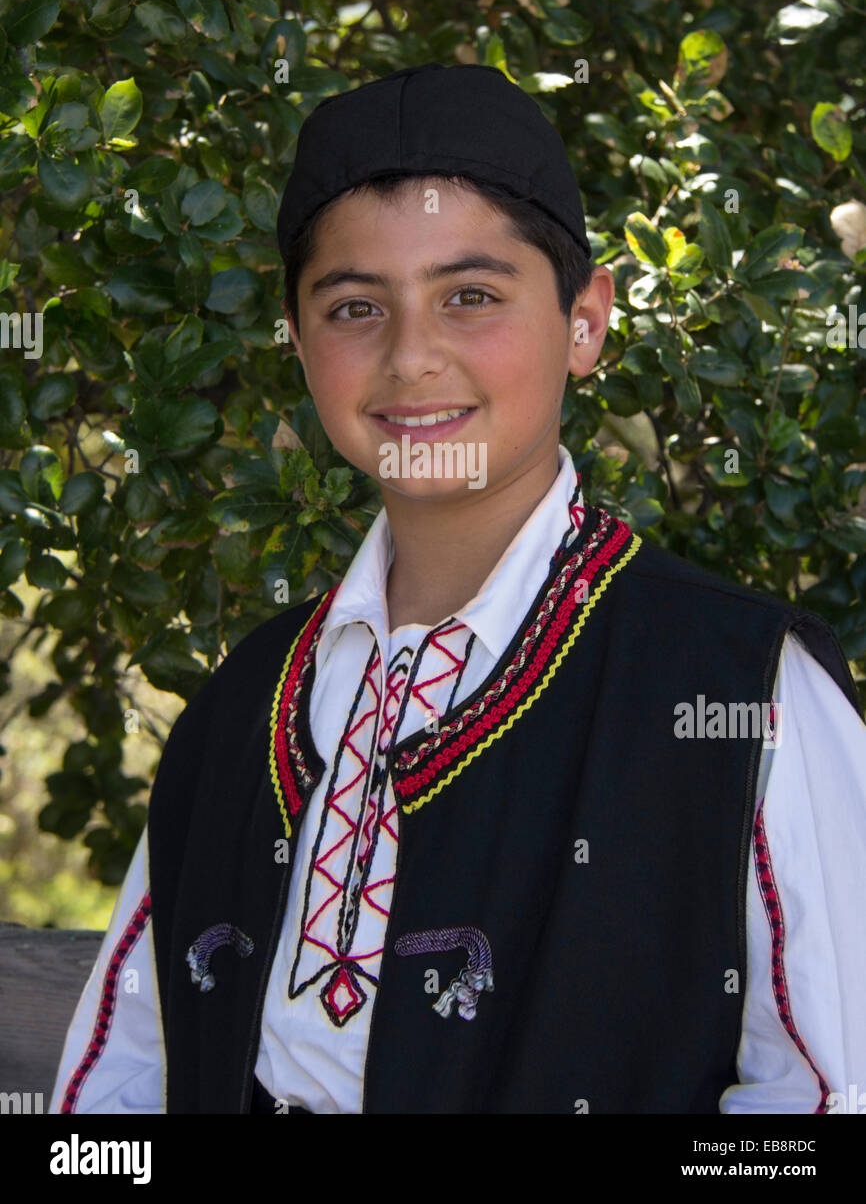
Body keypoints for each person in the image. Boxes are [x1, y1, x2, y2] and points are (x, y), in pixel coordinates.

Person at [50, 63, 866, 1115]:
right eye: (353, 307)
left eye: (469, 295)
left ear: (583, 320)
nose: (411, 356)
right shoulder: (241, 704)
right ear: (297, 344)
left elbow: (826, 1097)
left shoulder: (740, 692)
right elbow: (123, 1074)